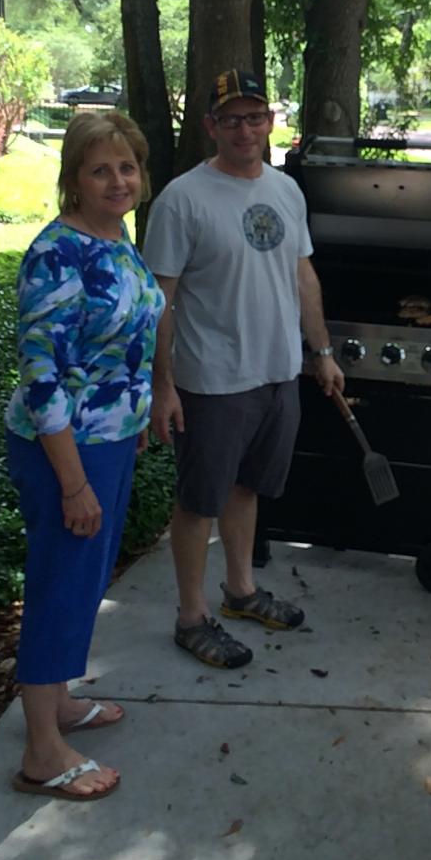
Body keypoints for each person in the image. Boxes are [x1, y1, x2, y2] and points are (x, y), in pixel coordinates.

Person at [143, 69, 344, 669]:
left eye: (255, 117)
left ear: (270, 122)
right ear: (211, 126)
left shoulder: (286, 190)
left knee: (247, 487)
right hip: (211, 379)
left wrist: (322, 353)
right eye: (231, 118)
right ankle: (190, 617)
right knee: (198, 500)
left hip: (278, 372)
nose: (244, 128)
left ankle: (240, 593)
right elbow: (161, 298)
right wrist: (164, 383)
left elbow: (302, 275)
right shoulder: (183, 198)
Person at [6, 110, 165, 801]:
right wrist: (72, 483)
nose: (117, 180)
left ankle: (60, 701)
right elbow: (42, 377)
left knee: (81, 582)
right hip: (62, 450)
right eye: (100, 169)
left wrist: (149, 402)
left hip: (107, 440)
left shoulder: (117, 237)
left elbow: (123, 341)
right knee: (60, 585)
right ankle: (42, 751)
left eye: (126, 167)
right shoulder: (57, 254)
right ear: (72, 177)